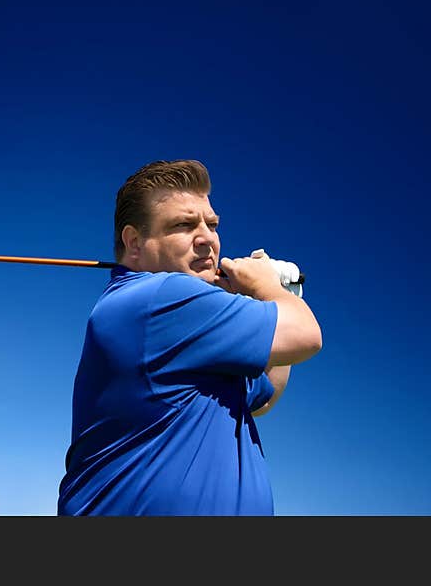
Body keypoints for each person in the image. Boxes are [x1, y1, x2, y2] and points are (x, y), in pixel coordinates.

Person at [57, 159, 322, 515]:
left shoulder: (191, 329)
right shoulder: (160, 296)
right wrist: (269, 288)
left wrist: (268, 297)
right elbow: (306, 335)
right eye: (184, 225)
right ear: (134, 243)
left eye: (211, 224)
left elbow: (263, 396)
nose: (206, 239)